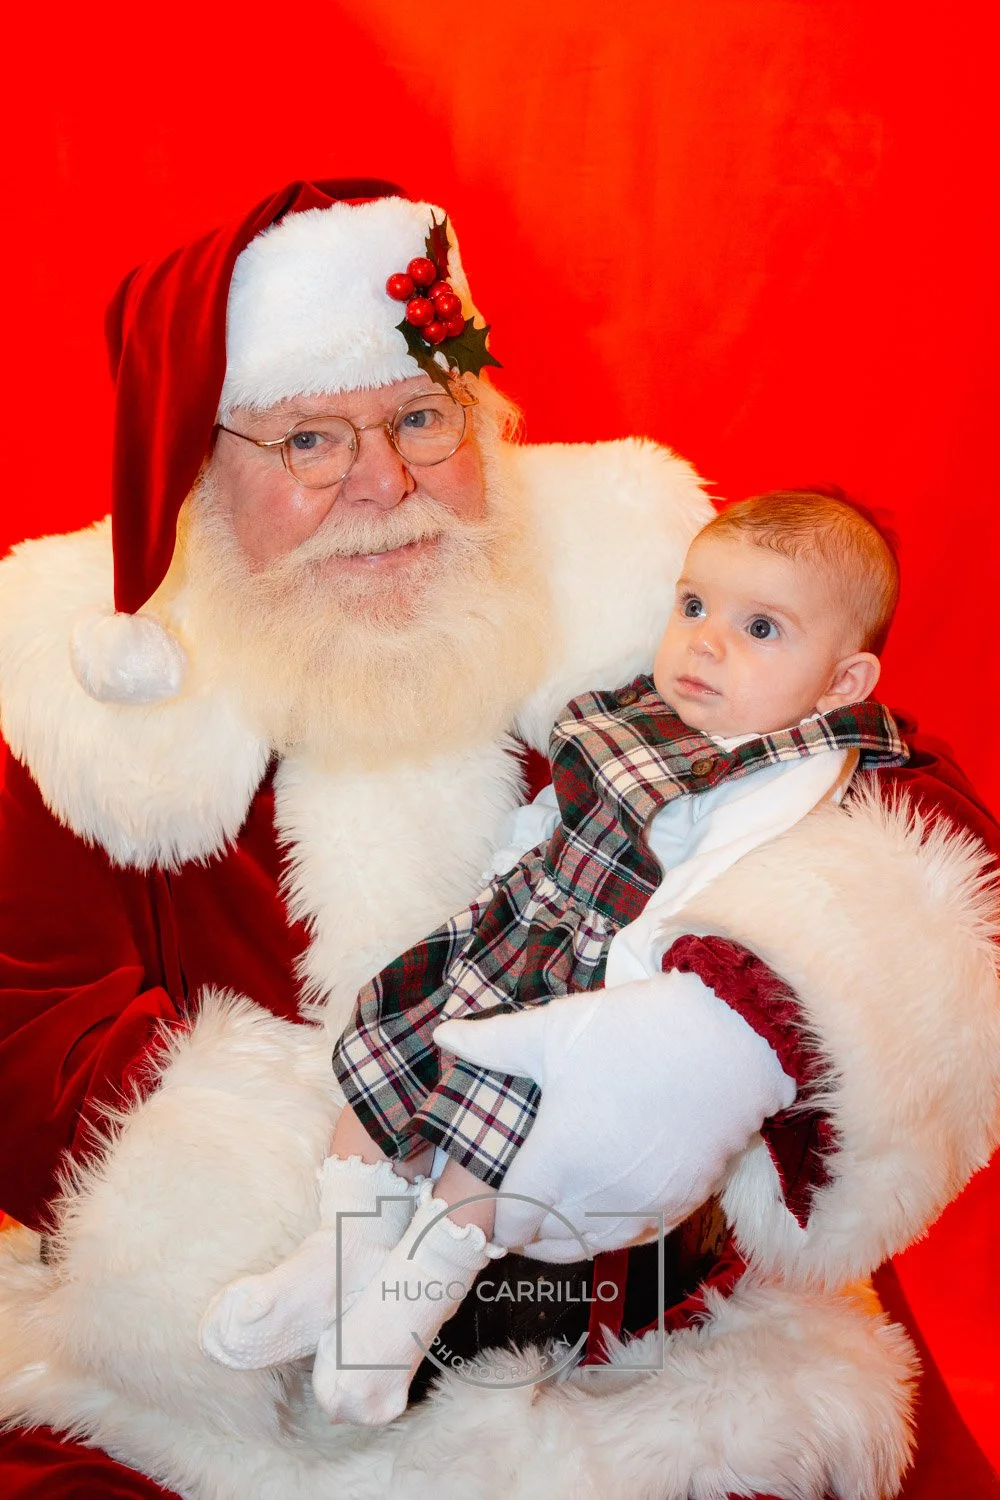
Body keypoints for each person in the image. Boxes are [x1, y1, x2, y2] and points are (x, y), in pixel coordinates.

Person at [0, 180, 997, 1500]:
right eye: (311, 442)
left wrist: (723, 1038)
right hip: (242, 1367)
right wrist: (373, 1179)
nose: (385, 483)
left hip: (669, 1339)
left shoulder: (650, 578)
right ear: (205, 469)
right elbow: (32, 1021)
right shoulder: (72, 689)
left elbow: (912, 817)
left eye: (422, 418)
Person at [199, 489, 910, 1428]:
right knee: (382, 1063)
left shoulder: (784, 772)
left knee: (494, 1156)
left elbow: (721, 892)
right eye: (694, 607)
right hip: (516, 924)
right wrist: (512, 861)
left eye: (761, 627)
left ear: (842, 680)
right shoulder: (645, 713)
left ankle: (396, 1325)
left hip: (591, 984)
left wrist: (620, 998)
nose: (705, 642)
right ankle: (336, 1257)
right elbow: (565, 806)